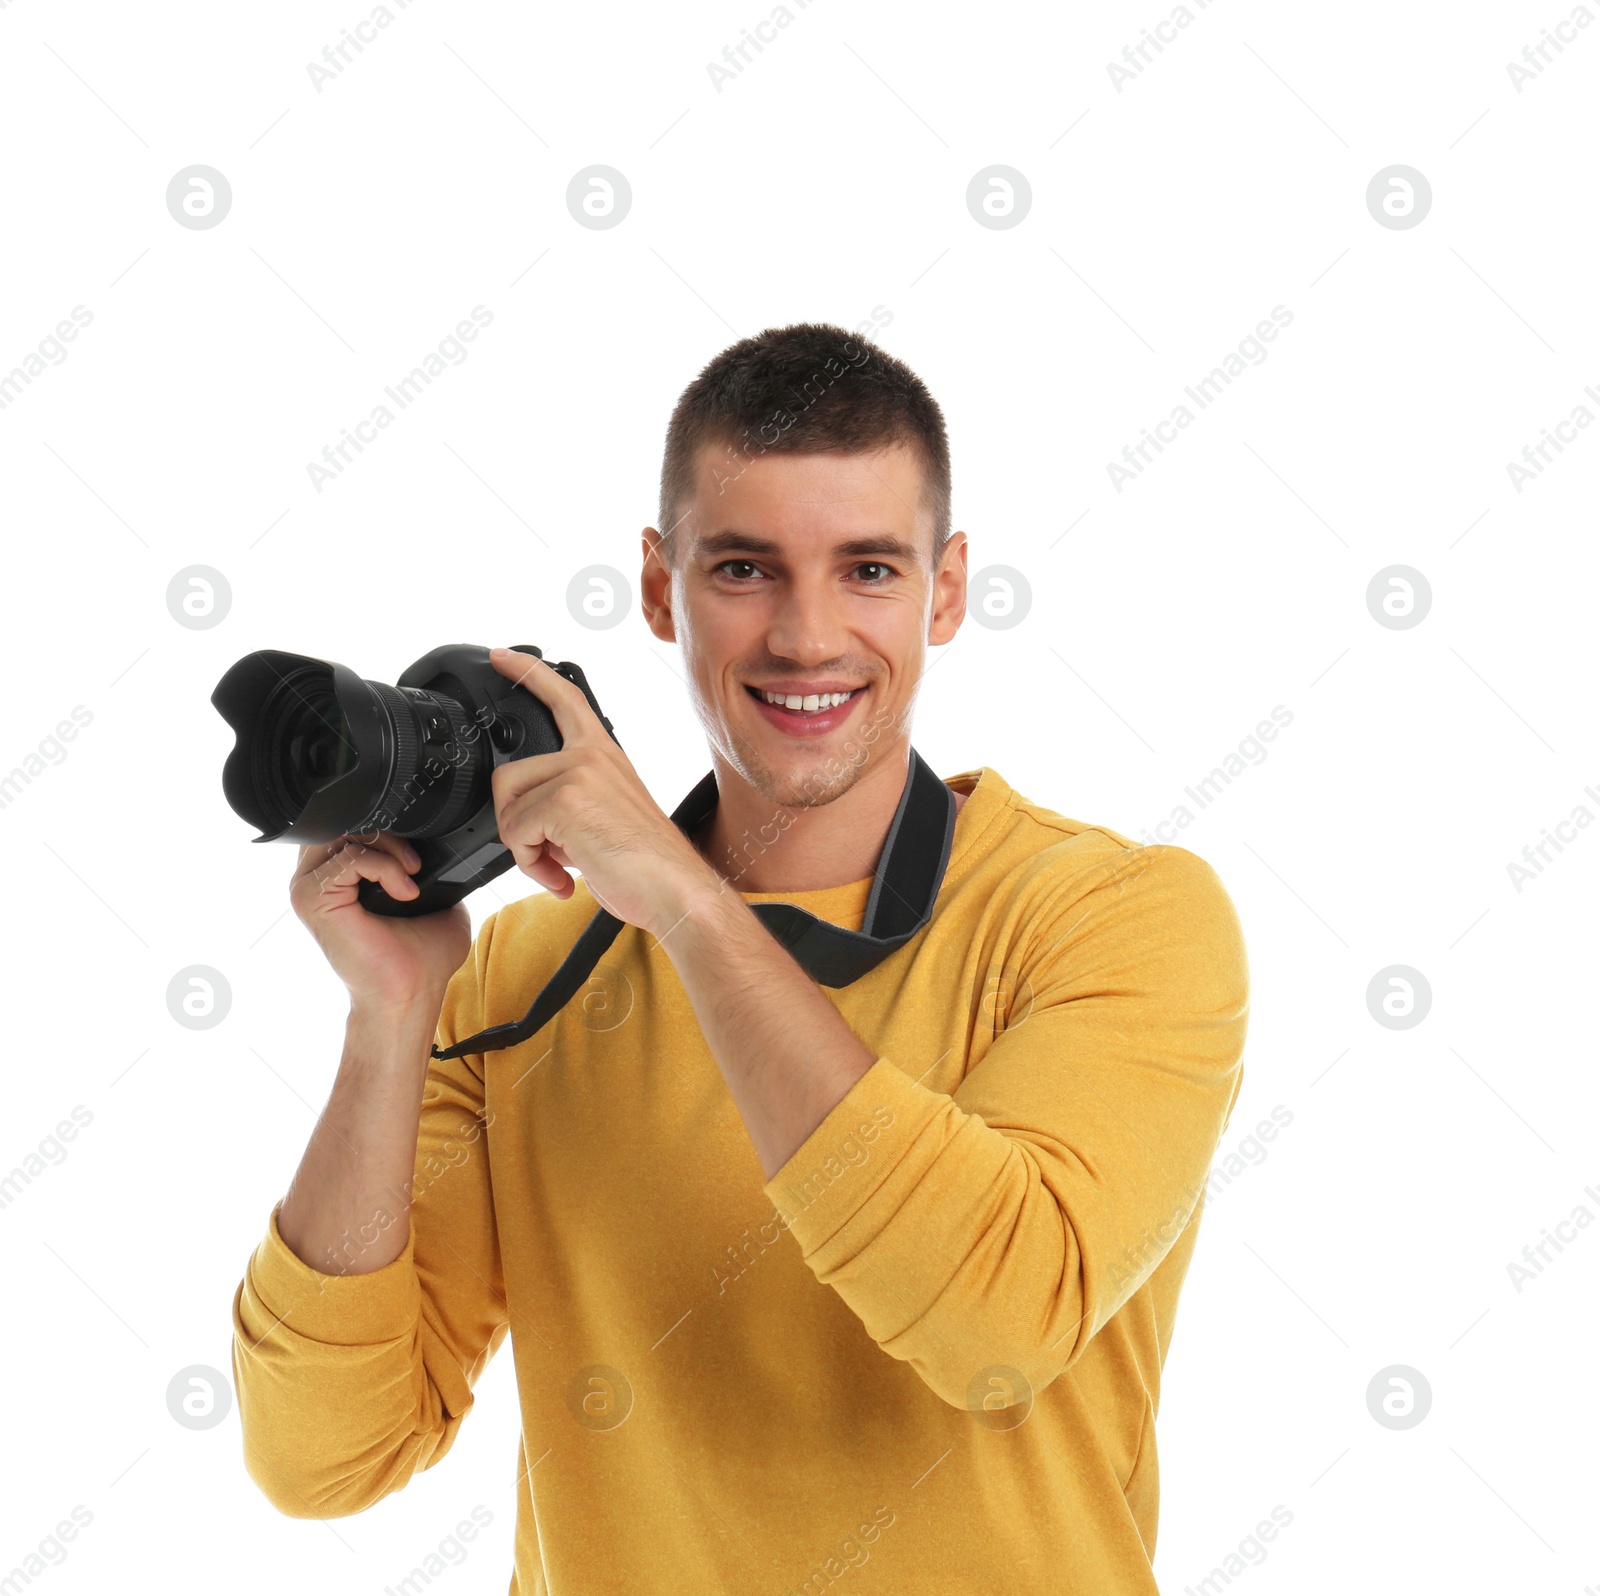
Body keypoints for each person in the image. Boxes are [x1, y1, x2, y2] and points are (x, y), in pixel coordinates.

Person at [231, 321, 1250, 1594]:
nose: (807, 636)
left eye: (869, 569)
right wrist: (391, 1017)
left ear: (947, 588)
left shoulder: (1115, 917)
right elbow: (323, 1458)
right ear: (661, 588)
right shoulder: (524, 978)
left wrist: (689, 906)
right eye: (746, 571)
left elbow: (994, 1319)